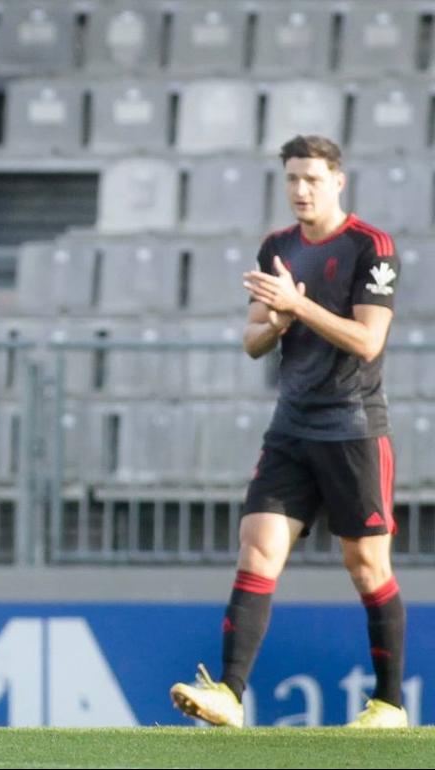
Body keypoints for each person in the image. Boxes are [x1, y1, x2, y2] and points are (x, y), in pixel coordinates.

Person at [170, 135, 405, 729]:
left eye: (312, 179)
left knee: (367, 566)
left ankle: (389, 704)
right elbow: (253, 341)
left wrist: (298, 308)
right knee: (257, 547)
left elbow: (368, 340)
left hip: (353, 427)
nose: (301, 190)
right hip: (292, 428)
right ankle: (228, 694)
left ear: (338, 182)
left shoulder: (370, 247)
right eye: (293, 179)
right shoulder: (277, 247)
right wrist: (275, 322)